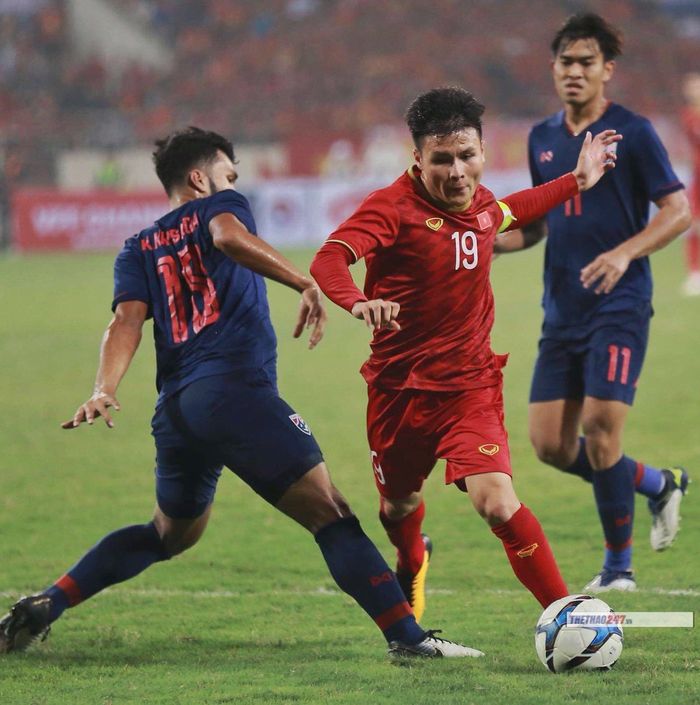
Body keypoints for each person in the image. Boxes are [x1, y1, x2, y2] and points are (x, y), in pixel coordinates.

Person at [0, 127, 478, 660]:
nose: (233, 183)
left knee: (168, 534)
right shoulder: (220, 206)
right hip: (234, 394)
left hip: (178, 410)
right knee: (332, 514)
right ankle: (410, 640)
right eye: (229, 174)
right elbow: (227, 235)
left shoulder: (137, 247)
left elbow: (125, 323)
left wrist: (103, 388)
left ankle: (48, 602)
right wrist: (304, 281)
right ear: (200, 178)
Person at [310, 86, 621, 621]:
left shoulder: (477, 201)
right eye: (442, 159)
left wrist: (576, 181)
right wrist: (358, 301)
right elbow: (330, 258)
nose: (458, 172)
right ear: (417, 157)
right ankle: (413, 557)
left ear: (482, 151)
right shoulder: (390, 209)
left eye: (468, 156)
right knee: (398, 505)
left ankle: (568, 617)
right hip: (398, 391)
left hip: (469, 386)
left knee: (497, 501)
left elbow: (506, 211)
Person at [493, 14, 691, 591]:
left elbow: (678, 211)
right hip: (561, 310)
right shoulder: (542, 138)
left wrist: (626, 253)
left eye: (586, 62)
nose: (574, 71)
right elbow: (535, 226)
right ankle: (657, 484)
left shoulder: (634, 132)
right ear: (553, 69)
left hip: (619, 303)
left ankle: (617, 568)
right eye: (565, 61)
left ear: (607, 70)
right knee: (551, 446)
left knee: (602, 430)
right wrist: (485, 245)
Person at [680, 71, 700, 296]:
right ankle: (694, 274)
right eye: (691, 88)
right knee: (693, 224)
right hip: (698, 176)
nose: (693, 91)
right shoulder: (687, 116)